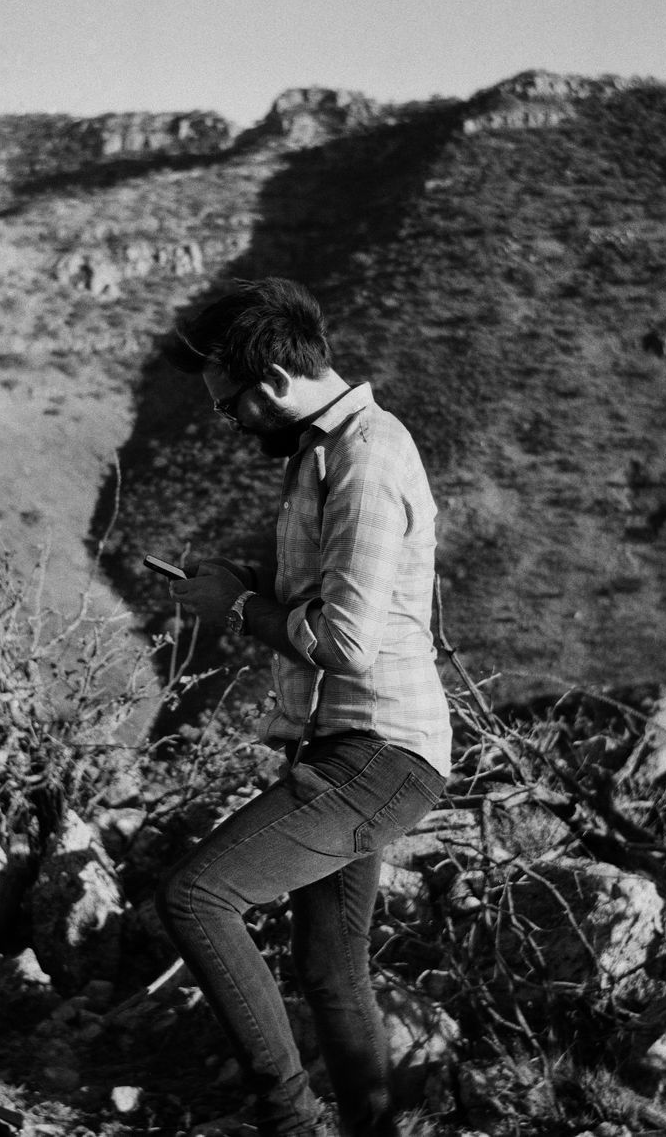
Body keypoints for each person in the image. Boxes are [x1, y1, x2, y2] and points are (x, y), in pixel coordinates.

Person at [154, 278, 452, 1137]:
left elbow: (349, 642)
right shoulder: (324, 454)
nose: (229, 421)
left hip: (379, 750)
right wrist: (247, 586)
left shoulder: (366, 453)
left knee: (198, 897)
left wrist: (239, 612)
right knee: (329, 966)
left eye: (230, 404)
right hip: (349, 746)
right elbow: (338, 600)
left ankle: (291, 1121)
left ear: (276, 380)